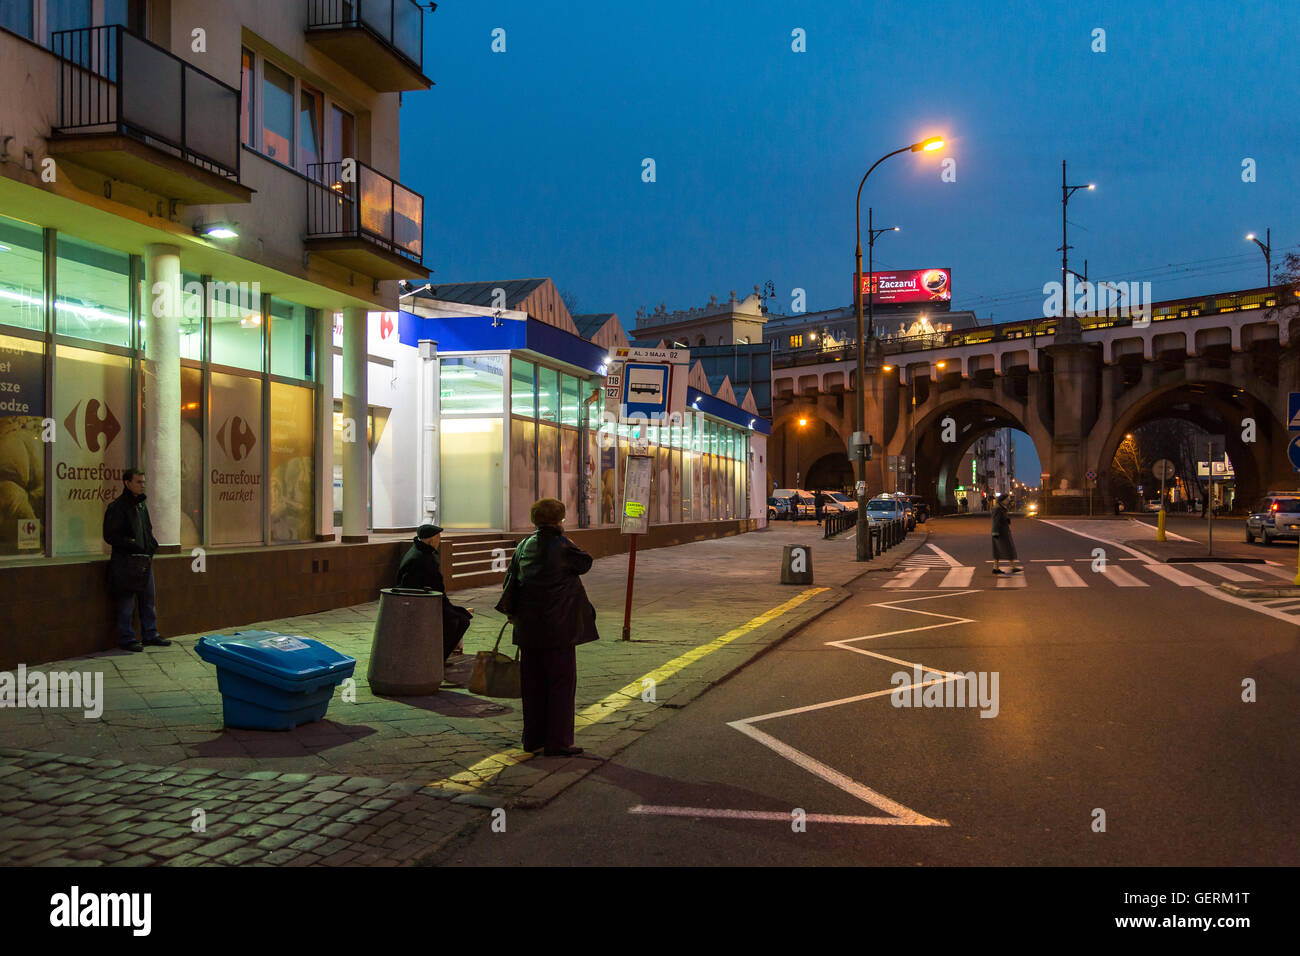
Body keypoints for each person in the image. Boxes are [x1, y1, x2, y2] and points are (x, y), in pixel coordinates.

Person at [496, 498, 598, 757]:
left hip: (529, 630)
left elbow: (511, 582)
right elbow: (585, 562)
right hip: (559, 630)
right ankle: (559, 742)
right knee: (561, 685)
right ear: (560, 520)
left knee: (532, 686)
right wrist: (567, 539)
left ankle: (532, 738)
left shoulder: (524, 545)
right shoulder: (563, 546)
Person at [102, 468, 169, 652]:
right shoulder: (118, 507)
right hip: (127, 562)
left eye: (143, 482)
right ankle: (126, 638)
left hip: (144, 561)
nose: (142, 485)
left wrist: (151, 545)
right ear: (127, 483)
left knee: (148, 598)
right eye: (138, 482)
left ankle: (150, 634)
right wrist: (133, 544)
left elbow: (147, 528)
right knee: (127, 601)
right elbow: (110, 535)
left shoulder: (141, 505)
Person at [396, 523, 473, 661]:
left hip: (424, 601)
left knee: (459, 616)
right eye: (439, 538)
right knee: (460, 621)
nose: (440, 541)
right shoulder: (422, 559)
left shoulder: (418, 552)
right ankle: (438, 659)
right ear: (431, 540)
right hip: (422, 605)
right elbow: (434, 588)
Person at [991, 491, 1023, 575]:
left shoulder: (1001, 507)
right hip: (1000, 532)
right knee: (1008, 548)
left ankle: (996, 568)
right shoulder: (998, 508)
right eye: (1007, 499)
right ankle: (1012, 567)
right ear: (1003, 500)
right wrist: (995, 532)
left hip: (1001, 531)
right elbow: (996, 521)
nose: (1008, 501)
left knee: (998, 550)